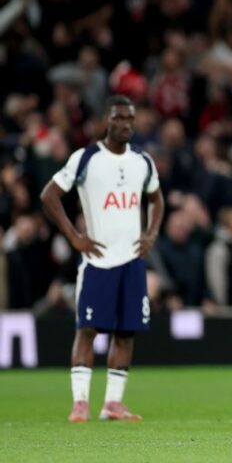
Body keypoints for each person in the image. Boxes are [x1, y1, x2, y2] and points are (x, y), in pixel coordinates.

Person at [40, 95, 165, 423]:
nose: (125, 124)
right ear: (105, 121)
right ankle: (80, 402)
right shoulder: (87, 158)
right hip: (98, 261)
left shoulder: (142, 161)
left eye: (130, 119)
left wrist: (151, 233)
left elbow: (157, 198)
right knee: (88, 329)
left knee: (126, 333)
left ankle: (112, 404)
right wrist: (73, 236)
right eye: (119, 118)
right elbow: (49, 194)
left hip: (132, 261)